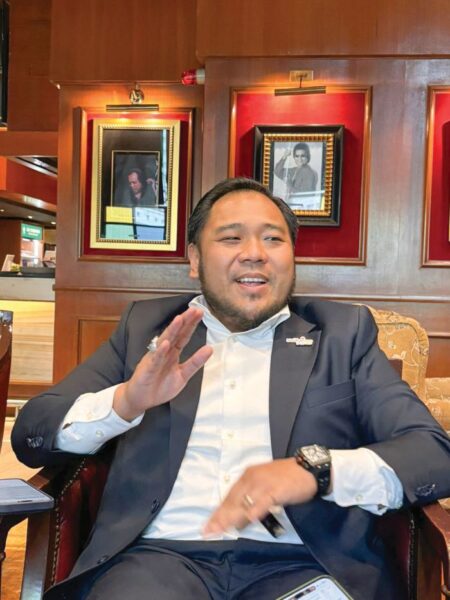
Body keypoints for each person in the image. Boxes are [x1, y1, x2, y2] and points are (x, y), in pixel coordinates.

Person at [12, 178, 450, 600]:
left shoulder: (343, 335)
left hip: (306, 561)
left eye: (273, 239)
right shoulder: (145, 329)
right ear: (195, 259)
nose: (254, 254)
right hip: (157, 560)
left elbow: (432, 453)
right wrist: (125, 402)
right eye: (231, 238)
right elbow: (33, 432)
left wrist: (314, 471)